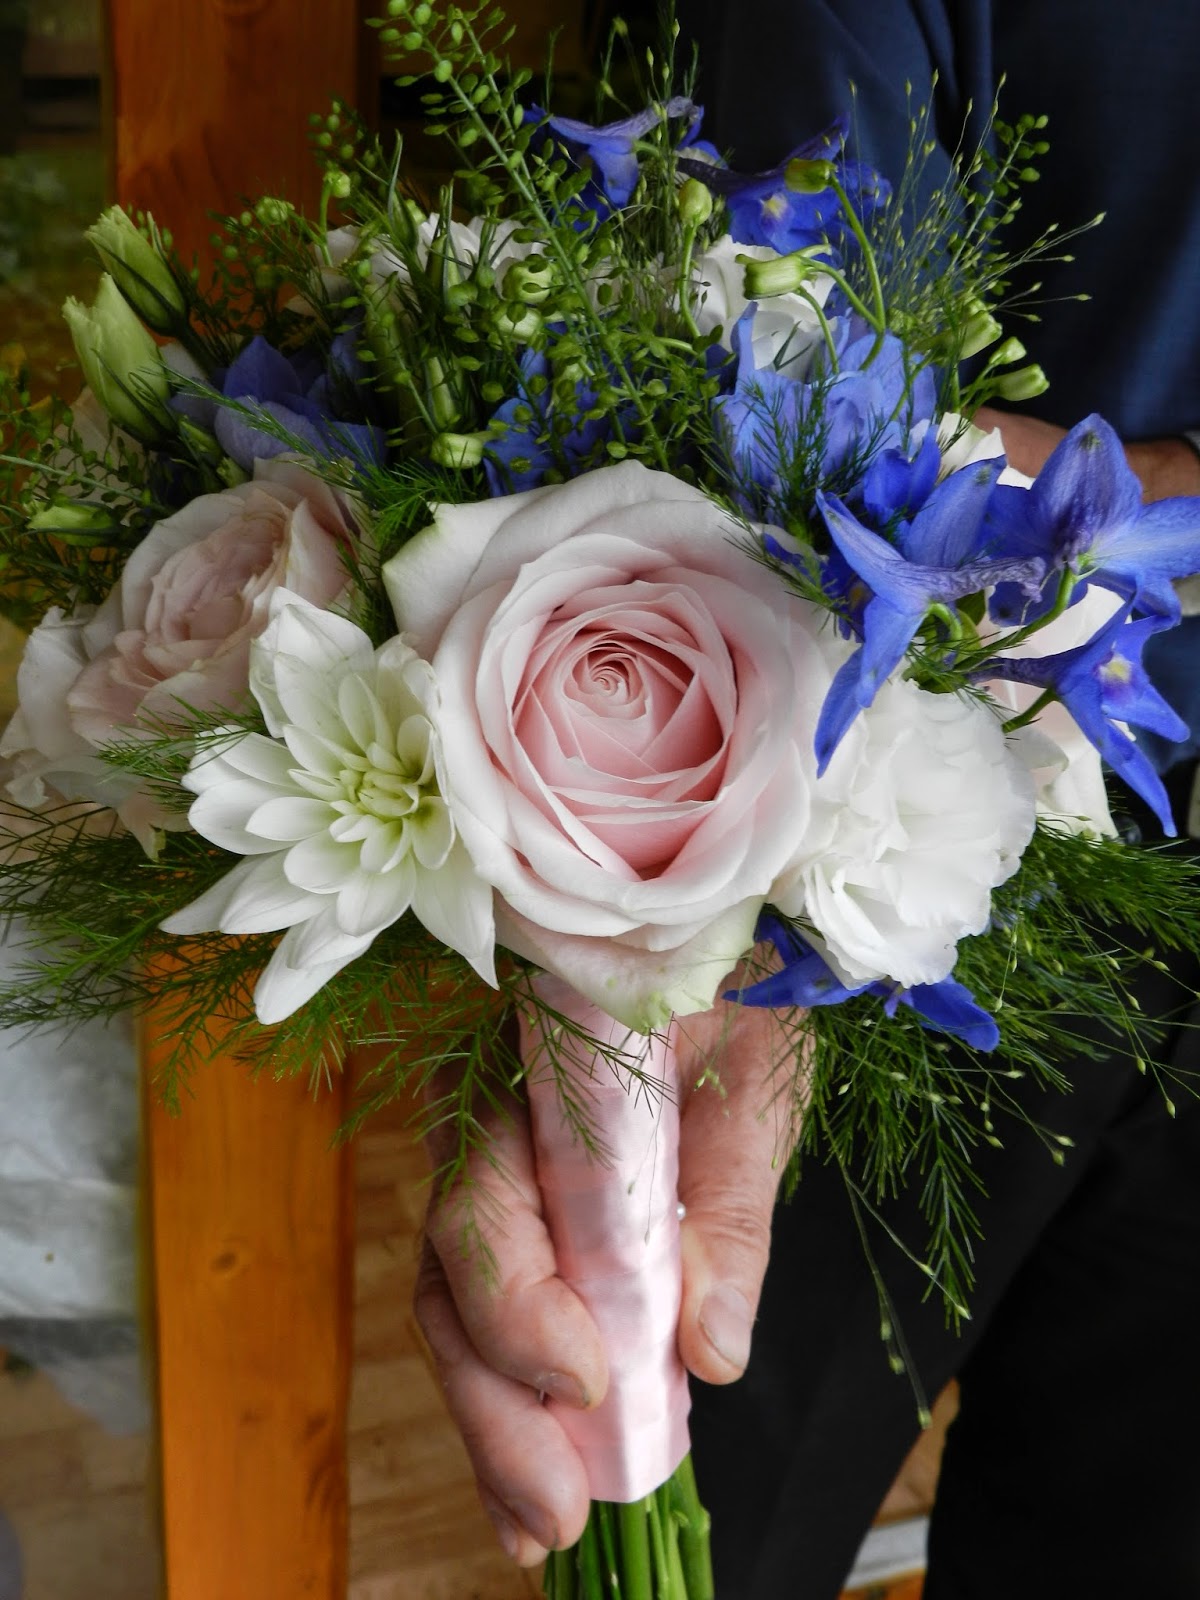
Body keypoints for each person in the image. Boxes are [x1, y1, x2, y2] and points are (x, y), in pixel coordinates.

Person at [415, 3, 1200, 1594]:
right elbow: (780, 378)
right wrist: (630, 943)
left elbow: (853, 423)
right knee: (693, 1458)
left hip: (978, 766)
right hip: (898, 867)